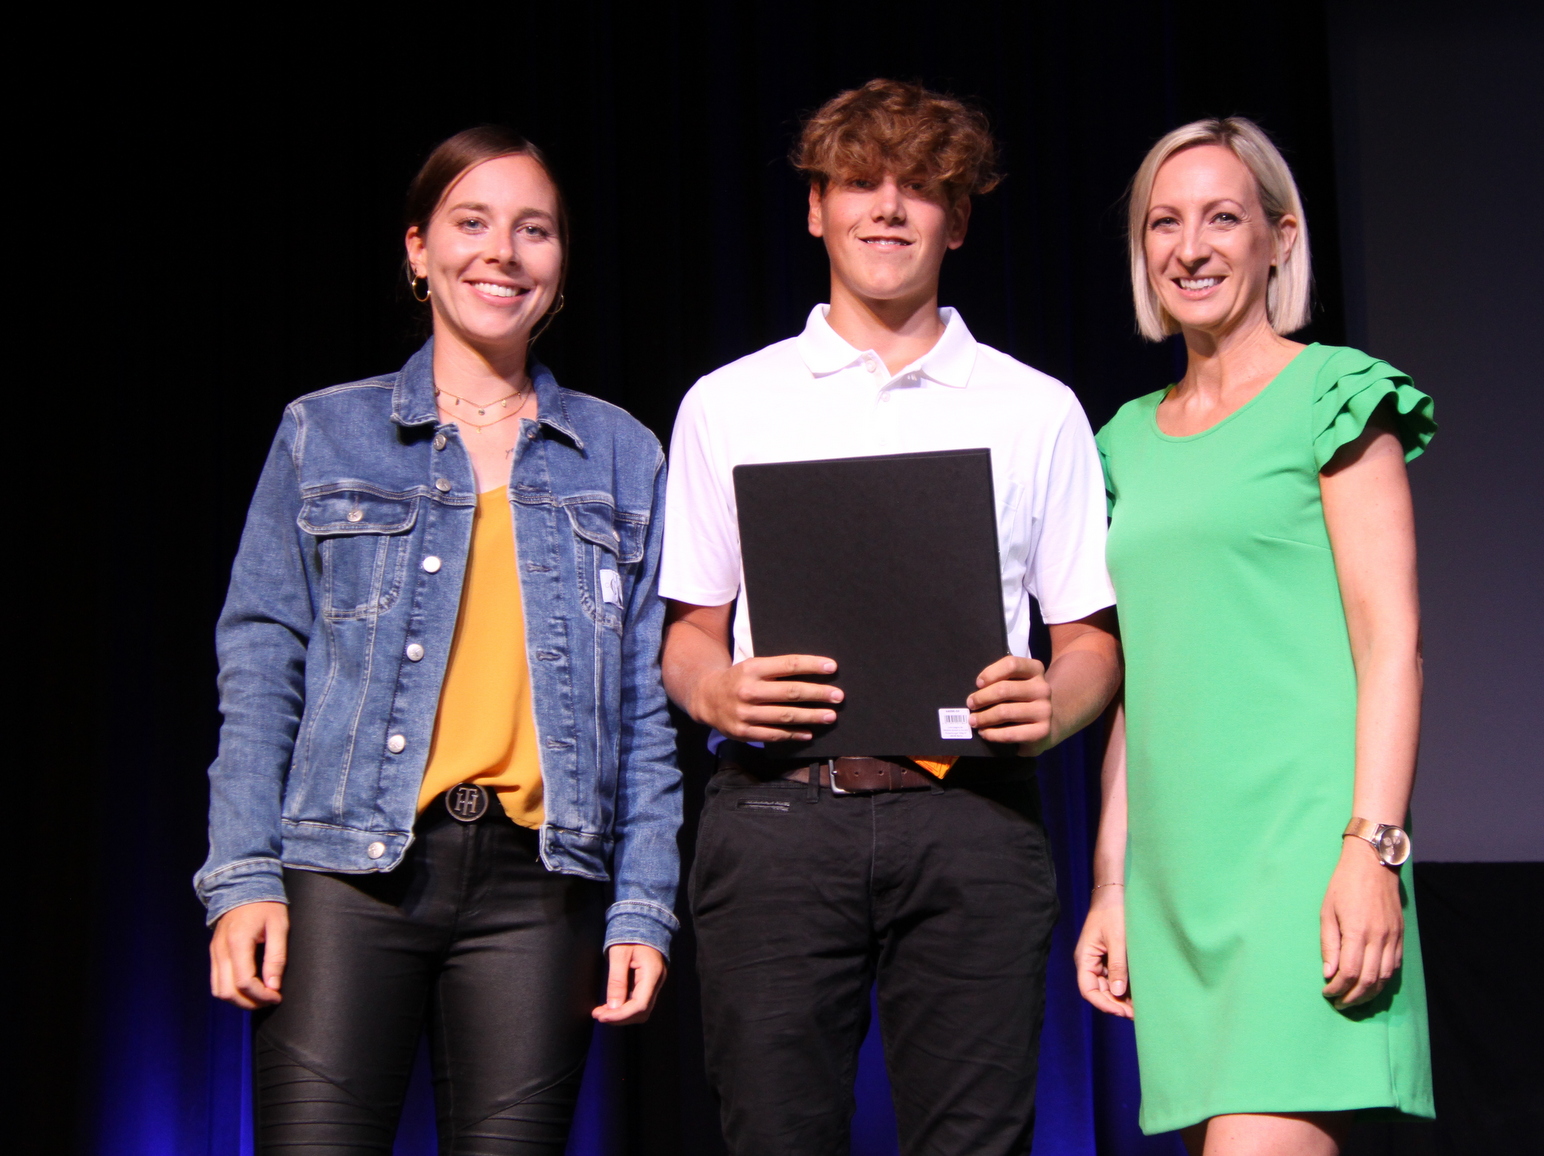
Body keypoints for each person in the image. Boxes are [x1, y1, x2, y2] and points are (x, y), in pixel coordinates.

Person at [194, 126, 681, 1152]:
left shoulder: (621, 453)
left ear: (560, 264)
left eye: (533, 229)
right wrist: (242, 877)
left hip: (540, 889)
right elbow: (263, 662)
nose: (501, 251)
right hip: (346, 875)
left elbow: (644, 711)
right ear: (418, 250)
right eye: (471, 222)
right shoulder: (326, 430)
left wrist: (642, 904)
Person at [660, 79, 1121, 1156]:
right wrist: (716, 689)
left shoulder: (1036, 407)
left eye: (919, 186)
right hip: (776, 814)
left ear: (956, 221)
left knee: (976, 1141)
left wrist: (1053, 706)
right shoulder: (728, 401)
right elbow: (689, 633)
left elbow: (1089, 642)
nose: (887, 206)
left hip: (971, 815)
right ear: (815, 207)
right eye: (859, 181)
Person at [1074, 117, 1435, 1155]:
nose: (1190, 248)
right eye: (1165, 222)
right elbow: (1143, 682)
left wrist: (1372, 849)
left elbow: (1392, 644)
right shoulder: (1123, 440)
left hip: (1304, 854)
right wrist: (1111, 885)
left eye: (1222, 218)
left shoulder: (1332, 394)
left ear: (1280, 238)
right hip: (1181, 874)